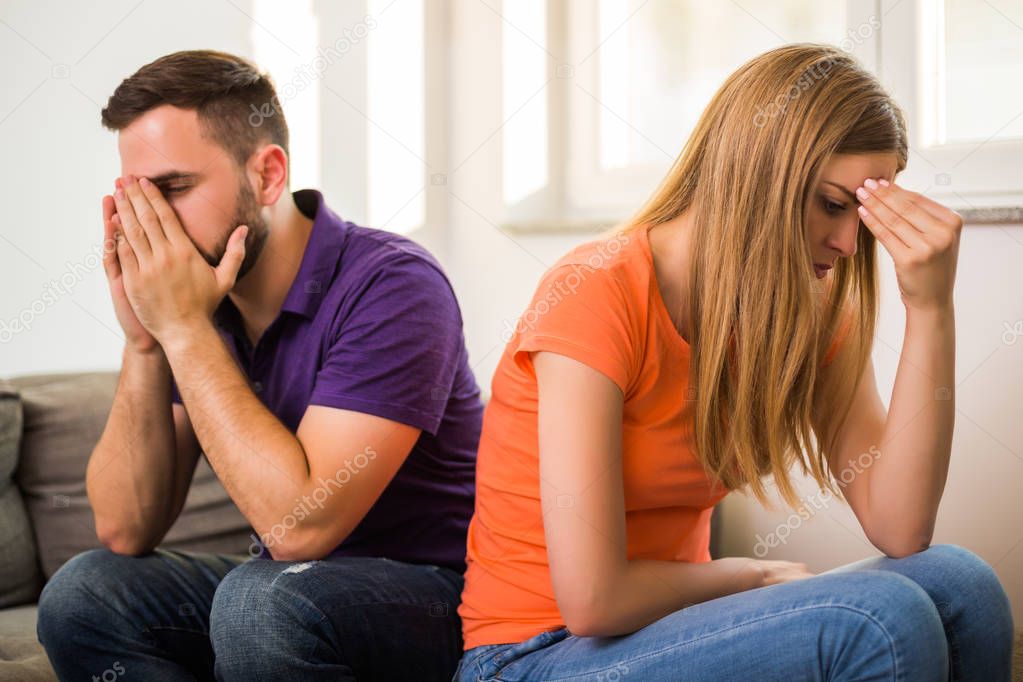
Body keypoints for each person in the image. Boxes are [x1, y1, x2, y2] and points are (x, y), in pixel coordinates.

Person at [454, 43, 1014, 681]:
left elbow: (901, 527)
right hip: (531, 656)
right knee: (879, 618)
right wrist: (753, 573)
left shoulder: (810, 304)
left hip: (665, 633)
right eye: (832, 204)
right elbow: (593, 600)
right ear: (758, 178)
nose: (848, 243)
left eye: (861, 214)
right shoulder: (594, 291)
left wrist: (932, 309)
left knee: (963, 585)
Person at [36, 50, 483, 681]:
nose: (153, 226)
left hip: (442, 595)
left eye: (173, 190)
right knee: (84, 592)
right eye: (138, 199)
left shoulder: (394, 284)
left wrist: (184, 330)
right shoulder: (198, 304)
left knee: (262, 600)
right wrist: (144, 342)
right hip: (297, 590)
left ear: (268, 176)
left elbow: (301, 530)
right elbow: (124, 530)